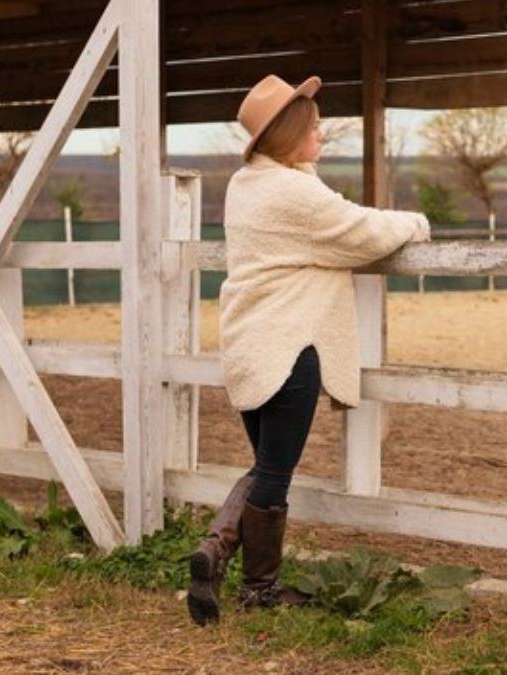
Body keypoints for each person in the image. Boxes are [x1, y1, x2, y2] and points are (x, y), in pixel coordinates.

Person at [186, 74, 430, 626]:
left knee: (264, 465)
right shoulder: (293, 193)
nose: (321, 134)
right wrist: (414, 221)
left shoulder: (248, 185)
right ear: (292, 133)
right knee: (275, 473)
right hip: (289, 349)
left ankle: (221, 557)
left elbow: (325, 218)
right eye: (314, 126)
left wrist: (307, 168)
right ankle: (247, 577)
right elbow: (359, 230)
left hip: (250, 344)